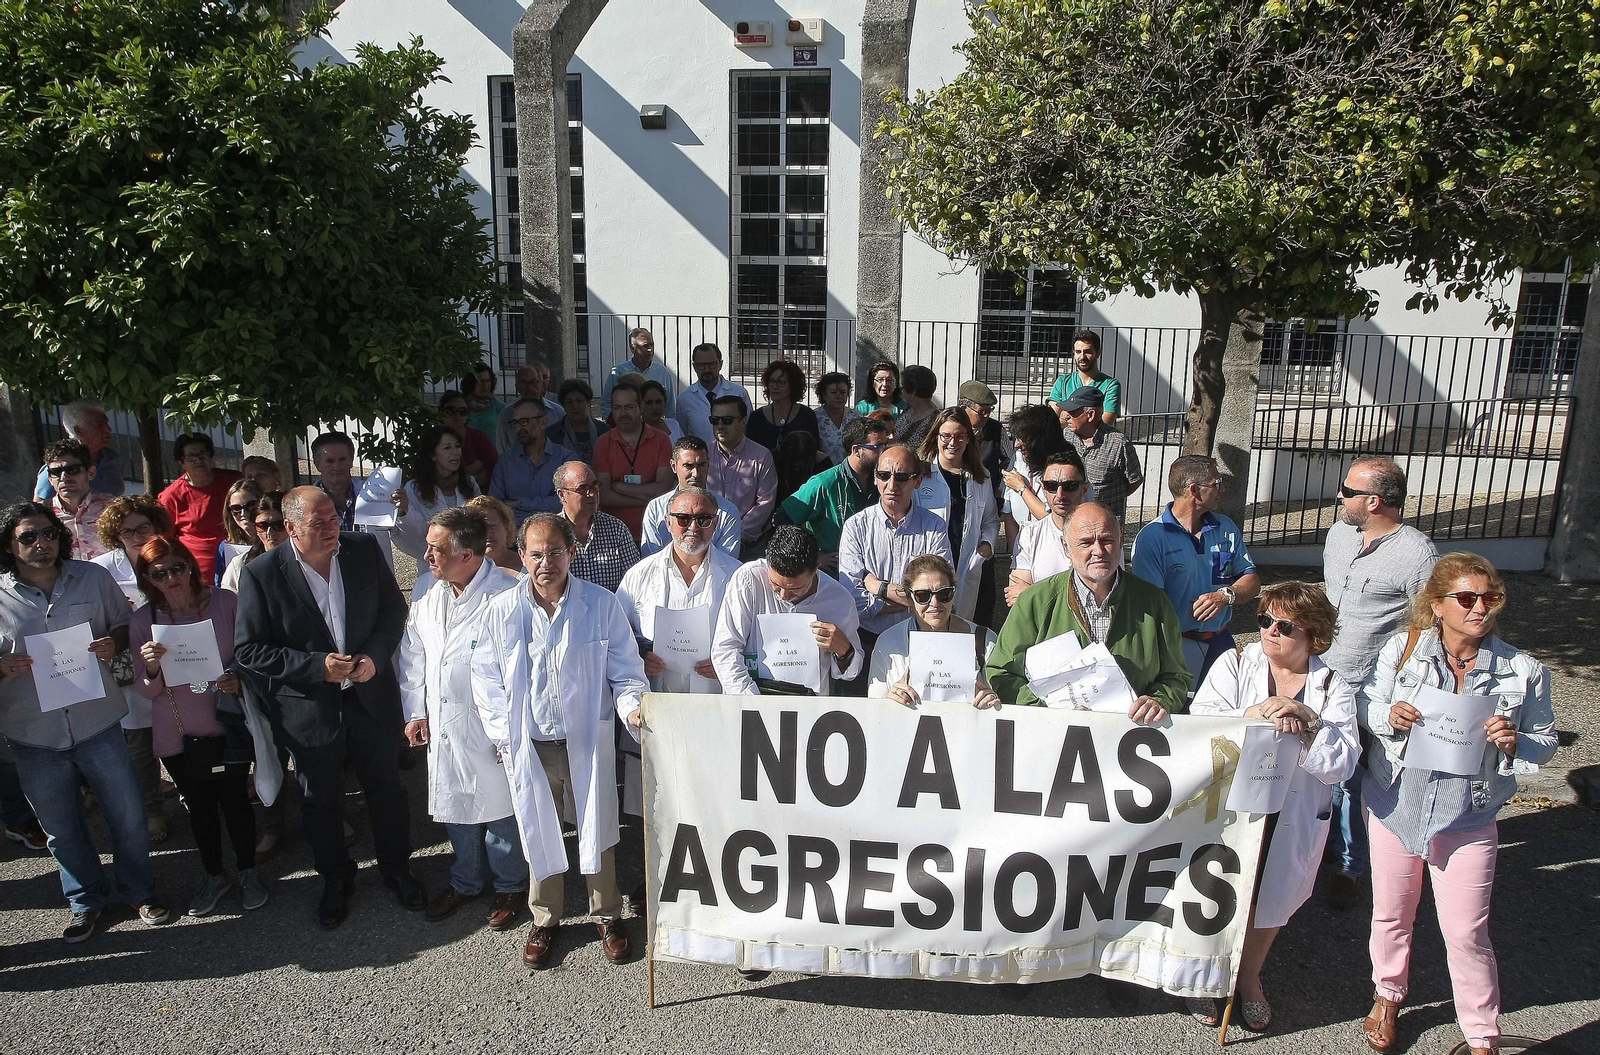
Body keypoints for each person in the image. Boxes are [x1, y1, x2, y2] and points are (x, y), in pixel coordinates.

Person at [985, 502, 1188, 1011]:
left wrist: (1158, 701)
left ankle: (1118, 962)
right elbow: (1001, 675)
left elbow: (1178, 679)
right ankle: (1031, 961)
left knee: (1118, 861)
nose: (1098, 550)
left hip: (1126, 761)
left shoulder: (1153, 602)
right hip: (1052, 758)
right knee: (1046, 859)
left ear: (1123, 542)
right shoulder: (1035, 603)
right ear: (1067, 547)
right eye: (1086, 542)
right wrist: (1052, 706)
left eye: (1107, 540)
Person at [1358, 554, 1556, 1055]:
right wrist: (1390, 715)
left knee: (1468, 932)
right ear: (1437, 605)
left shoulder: (1522, 670)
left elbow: (1545, 740)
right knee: (1391, 914)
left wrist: (1514, 743)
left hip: (1468, 815)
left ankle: (1481, 1035)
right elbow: (1364, 703)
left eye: (1490, 599)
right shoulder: (1401, 652)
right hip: (1396, 803)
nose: (1480, 608)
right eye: (1466, 599)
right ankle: (1388, 995)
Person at [233, 486, 423, 929]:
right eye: (319, 523)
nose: (332, 529)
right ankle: (336, 879)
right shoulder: (262, 573)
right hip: (309, 708)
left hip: (370, 698)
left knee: (388, 792)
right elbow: (250, 650)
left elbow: (393, 611)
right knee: (320, 801)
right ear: (291, 528)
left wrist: (374, 657)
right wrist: (318, 667)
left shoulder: (360, 549)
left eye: (334, 518)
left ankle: (398, 870)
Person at [471, 512, 647, 968]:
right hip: (532, 745)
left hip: (585, 742)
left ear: (571, 553)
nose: (545, 562)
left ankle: (606, 914)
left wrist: (632, 708)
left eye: (555, 552)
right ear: (522, 555)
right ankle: (545, 919)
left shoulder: (601, 604)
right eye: (535, 553)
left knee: (598, 827)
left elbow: (626, 671)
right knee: (538, 829)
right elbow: (486, 678)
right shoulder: (502, 610)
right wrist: (501, 735)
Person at [1187, 581, 1359, 1030]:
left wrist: (1309, 725)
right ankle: (1208, 976)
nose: (1270, 631)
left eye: (1285, 626)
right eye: (1265, 620)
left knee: (1273, 897)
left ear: (1313, 635)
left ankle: (1248, 977)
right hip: (1234, 806)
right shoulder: (1235, 662)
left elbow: (1342, 764)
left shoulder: (1333, 686)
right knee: (1218, 891)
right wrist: (1254, 715)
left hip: (1293, 811)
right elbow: (1201, 723)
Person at [0, 501, 170, 940]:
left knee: (129, 815)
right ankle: (85, 900)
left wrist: (112, 645)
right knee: (61, 827)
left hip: (97, 723)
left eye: (49, 534)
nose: (41, 544)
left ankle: (140, 891)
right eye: (28, 537)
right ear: (9, 545)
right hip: (32, 732)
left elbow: (121, 626)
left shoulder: (92, 578)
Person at [400, 508, 527, 932]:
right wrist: (415, 711)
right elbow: (413, 655)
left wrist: (508, 730)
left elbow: (524, 668)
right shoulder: (426, 589)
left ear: (470, 554)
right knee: (455, 805)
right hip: (443, 723)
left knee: (501, 811)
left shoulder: (509, 594)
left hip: (492, 727)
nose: (427, 555)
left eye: (437, 549)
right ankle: (467, 881)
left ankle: (510, 885)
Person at [1321, 456, 1439, 911]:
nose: (1340, 497)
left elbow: (1428, 623)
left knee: (1362, 777)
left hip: (1375, 685)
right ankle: (1327, 854)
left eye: (1348, 492)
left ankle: (1352, 868)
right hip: (1327, 674)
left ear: (1373, 501)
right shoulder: (1337, 536)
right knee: (1326, 772)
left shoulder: (1417, 554)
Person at [130, 536, 268, 916]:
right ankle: (213, 874)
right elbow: (145, 689)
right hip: (178, 733)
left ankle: (247, 871)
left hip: (227, 722)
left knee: (237, 803)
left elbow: (252, 653)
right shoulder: (144, 621)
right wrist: (153, 667)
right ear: (148, 579)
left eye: (177, 567)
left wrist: (237, 676)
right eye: (159, 573)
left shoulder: (226, 603)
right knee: (200, 810)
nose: (171, 577)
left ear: (190, 565)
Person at [1133, 455, 1261, 688]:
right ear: (1194, 489)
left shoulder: (1225, 527)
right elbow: (1150, 604)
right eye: (1216, 483)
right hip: (1177, 646)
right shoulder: (1152, 538)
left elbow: (1251, 580)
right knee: (1183, 714)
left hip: (1221, 641)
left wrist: (1226, 595)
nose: (1222, 489)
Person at [93, 495, 177, 842]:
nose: (137, 536)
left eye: (143, 527)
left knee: (180, 729)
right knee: (140, 742)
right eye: (127, 531)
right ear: (116, 535)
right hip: (128, 664)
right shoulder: (101, 569)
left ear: (156, 526)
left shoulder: (173, 556)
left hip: (173, 655)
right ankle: (152, 809)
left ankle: (189, 792)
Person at [838, 444, 954, 691]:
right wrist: (914, 598)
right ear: (875, 478)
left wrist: (878, 588)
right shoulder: (855, 527)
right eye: (884, 476)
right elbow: (852, 601)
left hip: (919, 640)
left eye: (901, 477)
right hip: (866, 639)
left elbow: (941, 594)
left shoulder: (934, 527)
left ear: (918, 481)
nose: (892, 485)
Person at [711, 524, 863, 696]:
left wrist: (844, 651)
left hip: (810, 708)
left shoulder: (839, 600)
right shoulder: (748, 579)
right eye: (775, 585)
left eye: (796, 588)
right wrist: (752, 702)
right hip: (749, 697)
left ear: (816, 569)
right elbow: (725, 649)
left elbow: (851, 673)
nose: (784, 595)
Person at [619, 487, 741, 693]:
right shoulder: (638, 575)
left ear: (716, 524)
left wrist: (728, 661)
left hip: (717, 700)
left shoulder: (738, 576)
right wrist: (641, 654)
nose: (693, 527)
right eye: (683, 519)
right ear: (668, 523)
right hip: (655, 698)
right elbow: (616, 633)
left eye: (703, 519)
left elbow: (755, 640)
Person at [868, 554, 1000, 708]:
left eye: (944, 594)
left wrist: (993, 699)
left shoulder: (985, 641)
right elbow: (874, 708)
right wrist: (889, 700)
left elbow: (1005, 705)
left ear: (954, 594)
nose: (934, 603)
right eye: (922, 596)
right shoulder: (888, 642)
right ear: (909, 598)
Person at [914, 408, 999, 623]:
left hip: (968, 563)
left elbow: (990, 520)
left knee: (962, 625)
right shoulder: (921, 475)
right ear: (936, 437)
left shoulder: (981, 477)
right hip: (930, 566)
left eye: (960, 436)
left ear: (968, 439)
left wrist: (986, 547)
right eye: (946, 436)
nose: (953, 443)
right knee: (929, 624)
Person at [777, 417, 892, 572]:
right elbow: (781, 519)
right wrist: (811, 557)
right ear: (856, 450)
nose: (884, 452)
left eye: (885, 445)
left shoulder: (885, 480)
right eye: (877, 447)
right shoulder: (824, 483)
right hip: (834, 578)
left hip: (874, 571)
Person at [1007, 451, 1090, 607]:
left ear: (1084, 489)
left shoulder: (1102, 536)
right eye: (1051, 486)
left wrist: (1033, 594)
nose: (1060, 494)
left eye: (1070, 486)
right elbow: (1015, 598)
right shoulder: (1029, 535)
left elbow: (1100, 597)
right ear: (1043, 488)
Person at [593, 382, 675, 541]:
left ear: (641, 407)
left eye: (629, 407)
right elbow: (604, 496)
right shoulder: (603, 443)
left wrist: (619, 486)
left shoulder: (661, 440)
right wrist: (648, 499)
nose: (623, 413)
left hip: (655, 532)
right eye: (617, 407)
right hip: (614, 534)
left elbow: (664, 490)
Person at [158, 433, 242, 582]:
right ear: (182, 463)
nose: (198, 460)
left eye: (202, 453)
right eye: (191, 456)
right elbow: (166, 539)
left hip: (238, 556)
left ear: (210, 456)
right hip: (200, 569)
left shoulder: (234, 482)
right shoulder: (170, 496)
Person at [639, 437, 742, 559]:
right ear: (673, 466)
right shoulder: (655, 508)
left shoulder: (728, 511)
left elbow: (727, 563)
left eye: (701, 465)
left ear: (708, 464)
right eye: (688, 466)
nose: (696, 473)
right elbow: (651, 560)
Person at [553, 461, 640, 593]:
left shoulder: (616, 530)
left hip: (610, 611)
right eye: (583, 488)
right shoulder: (551, 533)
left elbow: (636, 580)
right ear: (562, 494)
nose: (592, 494)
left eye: (595, 486)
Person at [393, 425, 476, 561]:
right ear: (432, 455)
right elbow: (415, 533)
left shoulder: (469, 483)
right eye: (447, 447)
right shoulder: (414, 488)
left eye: (457, 446)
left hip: (467, 559)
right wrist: (404, 511)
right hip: (433, 563)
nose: (455, 452)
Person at [707, 392, 778, 549]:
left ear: (743, 421)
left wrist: (736, 534)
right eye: (714, 420)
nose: (720, 426)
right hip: (708, 541)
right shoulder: (703, 454)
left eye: (727, 420)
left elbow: (765, 503)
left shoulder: (761, 456)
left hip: (749, 544)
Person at [1062, 387, 1143, 522]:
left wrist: (1109, 500)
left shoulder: (1118, 443)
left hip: (1106, 523)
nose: (1066, 416)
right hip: (1073, 522)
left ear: (1090, 414)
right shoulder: (1066, 436)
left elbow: (1135, 479)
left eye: (1073, 412)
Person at [489, 398, 574, 523]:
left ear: (543, 422)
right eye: (515, 423)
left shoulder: (565, 459)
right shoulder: (505, 462)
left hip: (555, 532)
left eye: (524, 421)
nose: (519, 428)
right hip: (514, 535)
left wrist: (519, 503)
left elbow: (568, 500)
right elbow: (495, 505)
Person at [1001, 403, 1071, 550]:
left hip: (1054, 545)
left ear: (1042, 439)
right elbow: (1008, 512)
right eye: (1016, 438)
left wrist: (1022, 489)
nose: (1017, 445)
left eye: (1023, 439)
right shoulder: (1019, 458)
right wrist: (1015, 554)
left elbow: (1053, 518)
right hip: (1023, 545)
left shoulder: (1066, 467)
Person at [33, 399, 126, 501]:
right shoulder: (58, 467)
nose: (108, 429)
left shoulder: (112, 457)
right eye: (100, 425)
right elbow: (38, 509)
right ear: (79, 430)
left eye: (106, 423)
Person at [43, 437, 112, 562]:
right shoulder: (42, 515)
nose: (64, 477)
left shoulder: (113, 509)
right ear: (49, 479)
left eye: (72, 470)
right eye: (56, 472)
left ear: (91, 473)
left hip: (108, 580)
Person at [677, 342, 751, 443]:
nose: (707, 369)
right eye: (701, 365)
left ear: (720, 364)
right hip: (700, 457)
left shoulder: (739, 393)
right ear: (694, 367)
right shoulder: (685, 398)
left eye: (711, 364)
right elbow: (682, 434)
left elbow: (748, 429)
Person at [1048, 329, 1123, 426]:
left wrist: (1066, 416)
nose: (1082, 357)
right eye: (1078, 352)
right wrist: (1086, 418)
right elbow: (1052, 422)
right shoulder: (1062, 382)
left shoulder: (1111, 385)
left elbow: (1105, 424)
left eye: (1088, 351)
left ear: (1098, 352)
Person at [747, 359, 822, 455]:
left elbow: (813, 449)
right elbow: (750, 450)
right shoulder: (757, 417)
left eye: (781, 382)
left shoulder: (806, 415)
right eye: (771, 381)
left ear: (793, 385)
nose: (774, 386)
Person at [601, 327, 675, 416]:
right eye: (645, 346)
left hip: (655, 427)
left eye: (651, 345)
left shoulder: (662, 372)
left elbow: (670, 407)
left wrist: (669, 427)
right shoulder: (618, 372)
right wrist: (613, 425)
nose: (650, 349)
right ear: (632, 347)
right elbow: (607, 402)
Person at [437, 389, 499, 491]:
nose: (457, 416)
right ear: (441, 412)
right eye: (451, 411)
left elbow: (494, 468)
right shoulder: (433, 438)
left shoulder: (478, 437)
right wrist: (471, 471)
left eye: (462, 411)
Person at [497, 363, 566, 451]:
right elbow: (501, 448)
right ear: (517, 387)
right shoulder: (506, 414)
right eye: (524, 383)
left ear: (542, 385)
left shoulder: (557, 412)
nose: (529, 387)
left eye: (534, 382)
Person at [548, 378, 611, 464]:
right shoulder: (552, 434)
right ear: (563, 405)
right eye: (569, 402)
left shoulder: (604, 431)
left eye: (579, 401)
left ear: (589, 403)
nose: (575, 406)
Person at [215, 478, 264, 586]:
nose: (243, 513)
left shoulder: (276, 538)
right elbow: (220, 586)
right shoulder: (225, 547)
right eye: (236, 508)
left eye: (250, 505)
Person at [813, 371, 863, 466]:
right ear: (823, 394)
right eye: (833, 392)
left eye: (843, 392)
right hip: (823, 472)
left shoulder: (856, 416)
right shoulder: (815, 417)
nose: (839, 396)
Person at [893, 365, 940, 450]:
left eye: (901, 388)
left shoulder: (935, 421)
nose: (900, 393)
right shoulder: (908, 410)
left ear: (913, 390)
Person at [463, 362, 506, 437]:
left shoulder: (500, 408)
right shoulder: (463, 406)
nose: (485, 385)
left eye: (488, 381)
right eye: (480, 381)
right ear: (472, 383)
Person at [639, 380, 683, 444]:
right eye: (649, 403)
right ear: (640, 405)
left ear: (665, 403)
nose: (654, 407)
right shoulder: (635, 430)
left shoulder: (674, 425)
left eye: (658, 401)